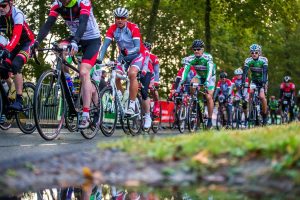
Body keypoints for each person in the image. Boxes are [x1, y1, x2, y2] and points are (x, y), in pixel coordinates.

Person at [33, 0, 101, 129]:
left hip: (92, 40)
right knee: (58, 50)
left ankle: (86, 114)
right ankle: (70, 87)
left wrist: (75, 41)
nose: (63, 1)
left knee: (84, 72)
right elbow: (48, 24)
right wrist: (37, 42)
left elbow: (83, 22)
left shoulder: (83, 2)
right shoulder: (57, 4)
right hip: (75, 38)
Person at [99, 7, 153, 129]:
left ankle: (132, 105)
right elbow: (104, 46)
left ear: (126, 19)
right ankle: (122, 99)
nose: (119, 20)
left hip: (137, 55)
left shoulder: (133, 27)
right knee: (116, 76)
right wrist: (99, 59)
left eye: (122, 18)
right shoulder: (112, 28)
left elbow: (138, 47)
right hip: (123, 57)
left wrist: (127, 51)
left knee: (132, 74)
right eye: (117, 18)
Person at [0, 0, 35, 111]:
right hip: (14, 46)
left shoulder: (17, 14)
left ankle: (19, 100)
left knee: (16, 64)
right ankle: (11, 93)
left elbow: (16, 35)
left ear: (11, 4)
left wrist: (7, 50)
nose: (1, 8)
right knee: (2, 68)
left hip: (27, 44)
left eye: (3, 5)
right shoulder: (1, 15)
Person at [179, 39, 216, 128]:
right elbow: (186, 69)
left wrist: (207, 81)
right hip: (199, 76)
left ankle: (210, 119)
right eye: (194, 49)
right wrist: (182, 80)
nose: (196, 51)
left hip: (210, 77)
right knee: (192, 82)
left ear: (202, 50)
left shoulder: (208, 57)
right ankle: (193, 100)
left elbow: (210, 70)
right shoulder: (190, 58)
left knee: (208, 97)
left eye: (198, 49)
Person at [242, 43, 268, 125]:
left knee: (262, 97)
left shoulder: (263, 60)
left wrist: (264, 83)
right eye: (252, 52)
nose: (254, 54)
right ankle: (251, 111)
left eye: (256, 52)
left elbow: (265, 72)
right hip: (254, 80)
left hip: (263, 79)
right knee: (251, 93)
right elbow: (245, 73)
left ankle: (264, 115)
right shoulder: (248, 61)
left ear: (259, 53)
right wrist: (243, 82)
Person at [144, 42, 160, 117]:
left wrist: (156, 82)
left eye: (147, 49)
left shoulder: (153, 57)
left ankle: (156, 104)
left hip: (151, 75)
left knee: (153, 89)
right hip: (142, 74)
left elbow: (156, 71)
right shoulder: (138, 55)